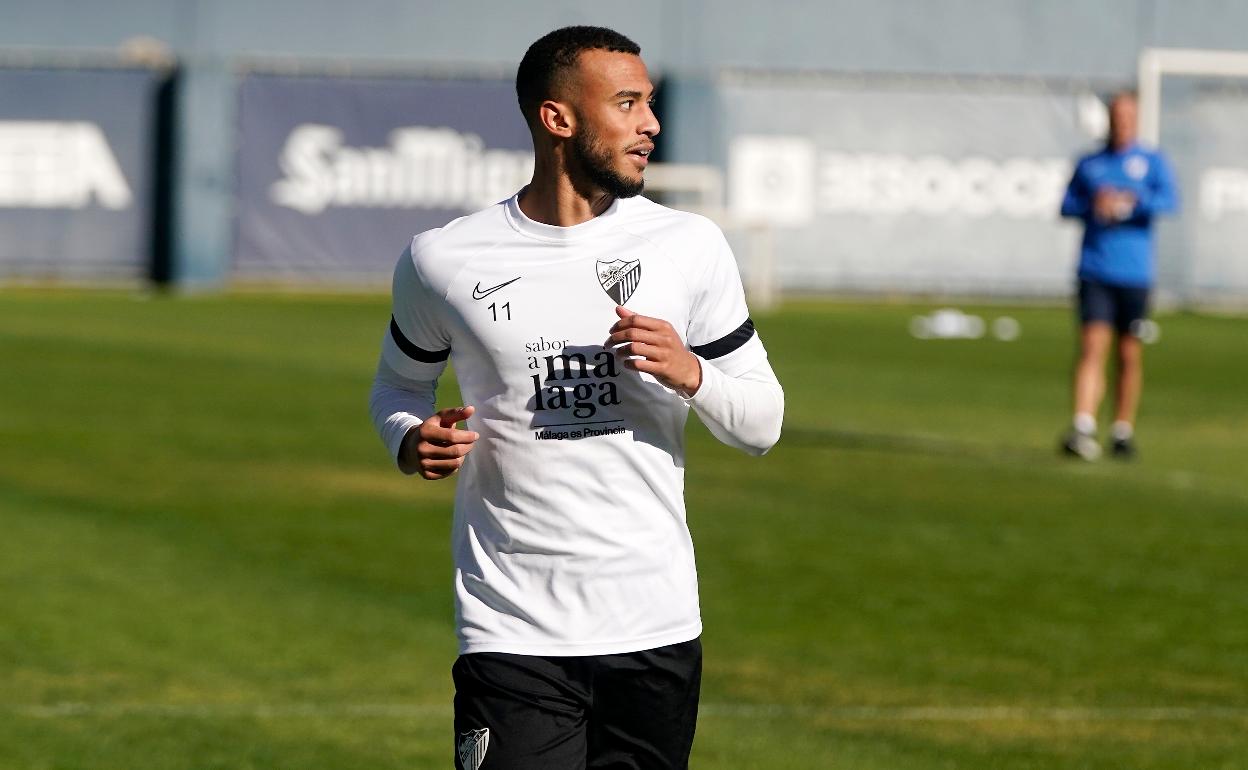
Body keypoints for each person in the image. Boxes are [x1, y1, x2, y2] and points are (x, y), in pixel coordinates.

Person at [368, 25, 783, 769]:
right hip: (512, 625)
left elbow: (762, 423)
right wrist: (408, 436)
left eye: (649, 104)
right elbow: (399, 385)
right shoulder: (444, 259)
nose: (651, 124)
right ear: (557, 119)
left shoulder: (688, 246)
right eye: (627, 104)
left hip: (655, 624)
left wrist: (692, 372)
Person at [1059, 90, 1178, 460]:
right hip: (1095, 268)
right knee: (1093, 346)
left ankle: (1122, 430)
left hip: (1135, 273)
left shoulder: (1152, 161)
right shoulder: (1091, 163)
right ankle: (1083, 424)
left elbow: (1169, 201)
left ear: (1137, 120)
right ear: (1109, 119)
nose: (1122, 124)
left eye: (1129, 117)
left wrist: (1131, 203)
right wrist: (1093, 205)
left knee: (1128, 353)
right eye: (1117, 116)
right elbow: (1066, 205)